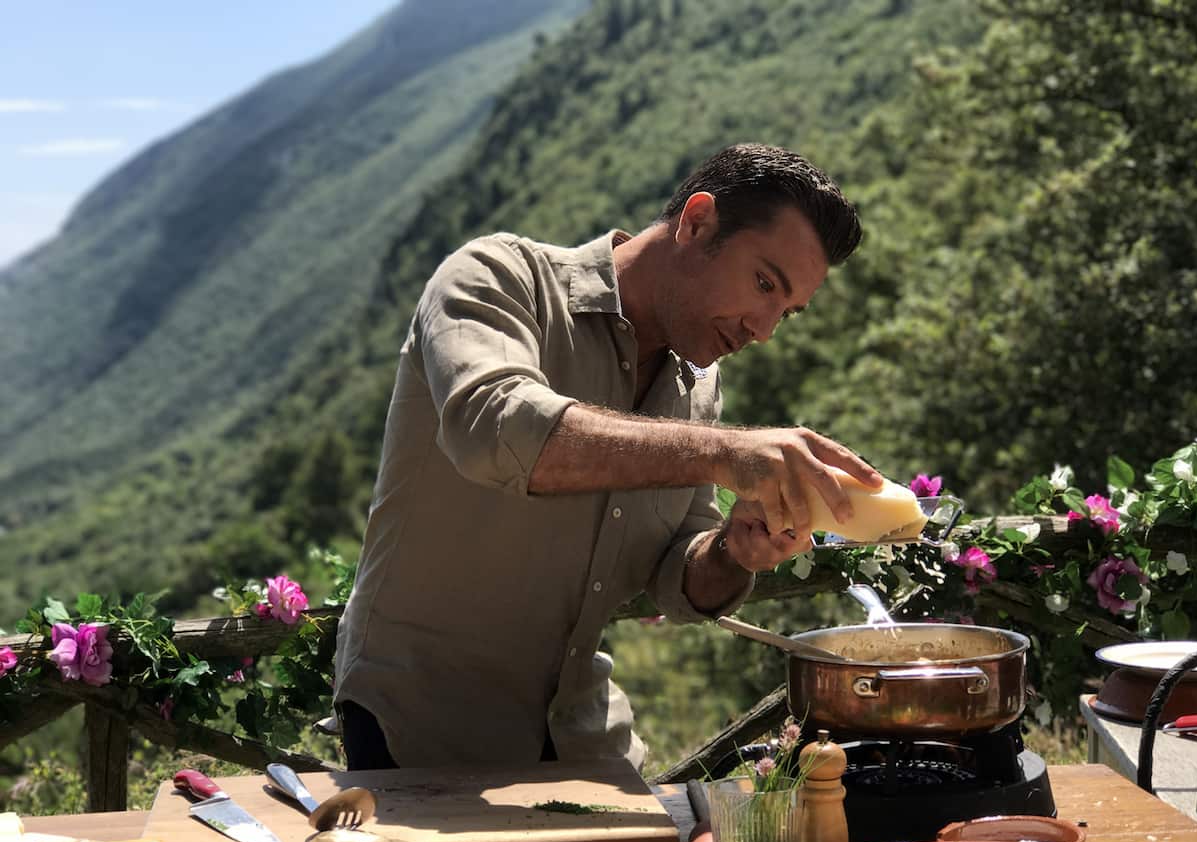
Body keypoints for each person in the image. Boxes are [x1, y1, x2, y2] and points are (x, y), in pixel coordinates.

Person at [332, 142, 881, 771]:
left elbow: (678, 574)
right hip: (419, 726)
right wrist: (726, 452)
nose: (764, 329)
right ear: (697, 222)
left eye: (787, 311)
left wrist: (737, 550)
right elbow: (497, 428)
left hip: (583, 736)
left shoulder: (698, 385)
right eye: (763, 284)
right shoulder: (497, 275)